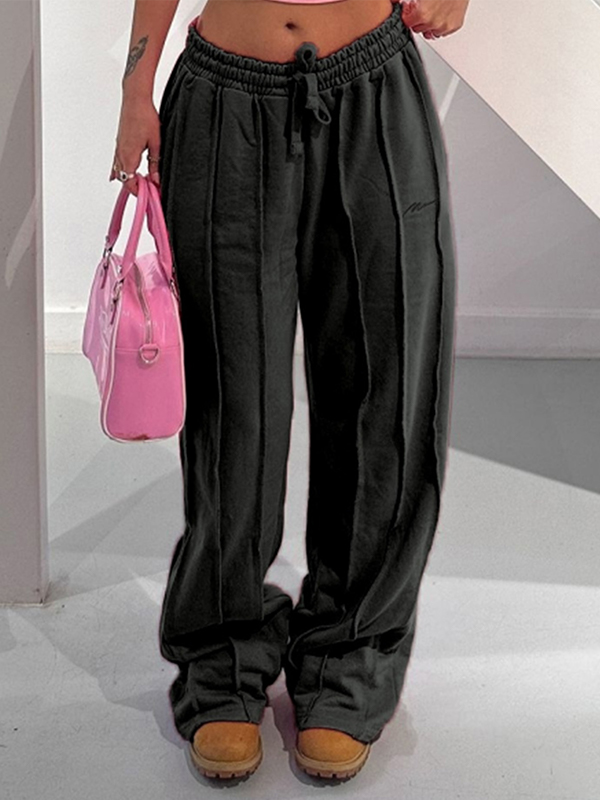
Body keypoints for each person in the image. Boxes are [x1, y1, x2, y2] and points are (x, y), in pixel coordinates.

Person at [110, 0, 470, 782]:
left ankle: (350, 658)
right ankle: (223, 658)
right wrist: (136, 88)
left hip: (374, 88)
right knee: (233, 410)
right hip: (223, 102)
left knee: (385, 394)